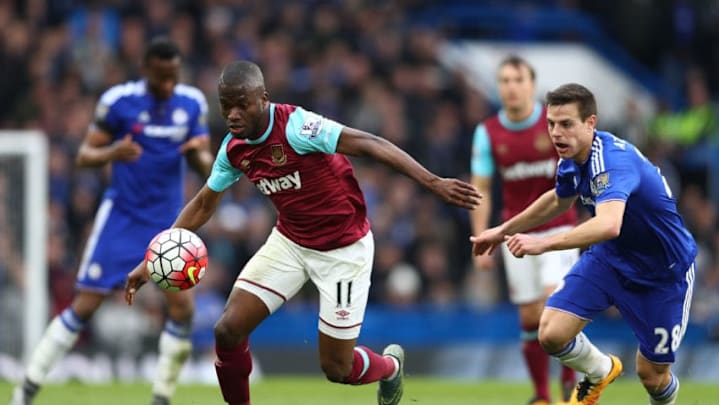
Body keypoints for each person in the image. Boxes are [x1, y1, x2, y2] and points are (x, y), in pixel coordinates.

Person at [125, 60, 481, 405]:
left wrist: (433, 182)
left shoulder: (298, 127)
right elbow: (204, 204)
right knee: (227, 330)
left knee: (336, 367)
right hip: (291, 243)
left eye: (242, 105)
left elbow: (370, 144)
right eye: (225, 106)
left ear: (263, 99)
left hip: (344, 250)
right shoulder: (234, 150)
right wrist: (152, 258)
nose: (233, 114)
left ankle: (390, 368)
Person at [11, 37, 215, 405]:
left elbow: (207, 164)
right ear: (146, 70)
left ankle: (162, 397)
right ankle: (25, 390)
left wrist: (197, 155)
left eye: (174, 76)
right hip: (122, 218)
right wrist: (112, 152)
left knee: (183, 309)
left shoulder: (192, 103)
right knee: (85, 305)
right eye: (161, 78)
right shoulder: (119, 102)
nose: (168, 85)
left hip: (169, 225)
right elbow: (85, 155)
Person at [471, 83, 697, 405]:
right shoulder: (572, 158)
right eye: (550, 124)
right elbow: (558, 201)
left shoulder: (612, 161)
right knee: (550, 333)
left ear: (591, 123)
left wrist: (544, 243)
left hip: (664, 274)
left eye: (566, 124)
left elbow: (609, 224)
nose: (556, 133)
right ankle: (601, 369)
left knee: (651, 375)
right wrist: (501, 230)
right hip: (611, 261)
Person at [470, 55, 577, 405]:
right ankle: (543, 396)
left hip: (558, 230)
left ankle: (570, 383)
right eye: (504, 80)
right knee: (530, 315)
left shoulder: (553, 124)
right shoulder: (487, 133)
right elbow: (482, 187)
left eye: (517, 80)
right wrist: (481, 235)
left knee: (554, 308)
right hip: (514, 232)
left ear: (532, 85)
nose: (511, 87)